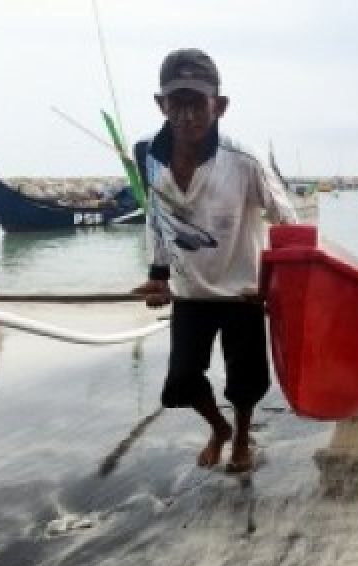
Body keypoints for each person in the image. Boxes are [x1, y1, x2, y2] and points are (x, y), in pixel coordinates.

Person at [134, 48, 296, 472]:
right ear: (161, 104)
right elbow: (157, 217)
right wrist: (156, 275)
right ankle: (218, 429)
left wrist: (281, 284)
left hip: (242, 292)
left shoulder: (244, 160)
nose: (187, 115)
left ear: (219, 106)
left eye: (197, 103)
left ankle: (241, 434)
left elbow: (288, 220)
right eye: (177, 102)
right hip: (189, 292)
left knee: (245, 382)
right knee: (181, 383)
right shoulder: (149, 155)